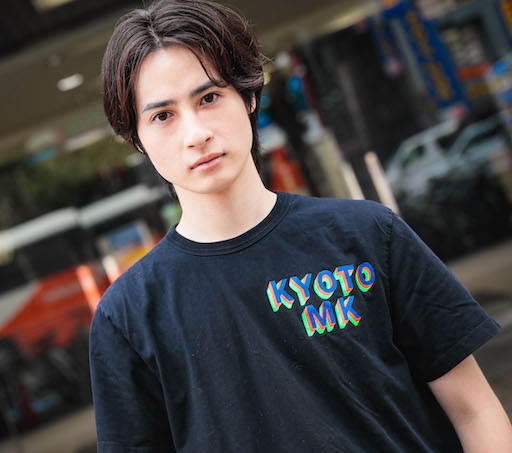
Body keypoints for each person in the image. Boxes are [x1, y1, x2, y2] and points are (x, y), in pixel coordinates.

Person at [89, 0, 512, 451]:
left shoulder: (368, 234)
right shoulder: (128, 317)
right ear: (137, 138)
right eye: (163, 116)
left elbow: (474, 411)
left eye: (208, 98)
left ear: (248, 95)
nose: (196, 134)